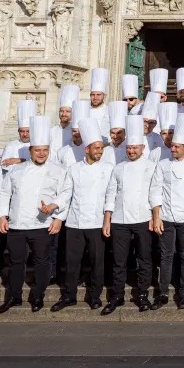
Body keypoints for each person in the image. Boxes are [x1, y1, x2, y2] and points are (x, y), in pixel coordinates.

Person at [0, 116, 66, 314]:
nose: (41, 154)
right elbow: (3, 194)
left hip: (42, 225)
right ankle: (14, 296)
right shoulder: (16, 171)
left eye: (45, 150)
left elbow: (65, 195)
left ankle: (38, 296)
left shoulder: (58, 171)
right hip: (17, 225)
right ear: (30, 151)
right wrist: (1, 216)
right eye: (37, 150)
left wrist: (59, 218)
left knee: (42, 262)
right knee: (16, 262)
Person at [53, 119, 113, 312]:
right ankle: (69, 295)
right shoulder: (74, 169)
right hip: (75, 223)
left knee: (97, 262)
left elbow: (110, 195)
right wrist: (55, 206)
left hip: (97, 223)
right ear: (87, 149)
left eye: (101, 148)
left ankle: (95, 296)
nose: (100, 151)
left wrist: (107, 219)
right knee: (72, 262)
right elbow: (66, 193)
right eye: (96, 148)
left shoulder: (107, 169)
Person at [102, 115, 157, 314]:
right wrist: (107, 219)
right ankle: (117, 296)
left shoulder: (151, 167)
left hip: (143, 218)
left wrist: (154, 216)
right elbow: (111, 193)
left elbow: (155, 193)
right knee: (119, 260)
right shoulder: (118, 168)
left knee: (144, 259)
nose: (132, 151)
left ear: (142, 148)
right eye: (129, 148)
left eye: (135, 147)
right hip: (119, 219)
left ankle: (142, 295)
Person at [148, 113, 184, 309]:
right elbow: (155, 190)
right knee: (166, 255)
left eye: (177, 147)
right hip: (166, 217)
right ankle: (162, 293)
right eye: (172, 146)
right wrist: (156, 216)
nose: (173, 148)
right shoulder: (163, 165)